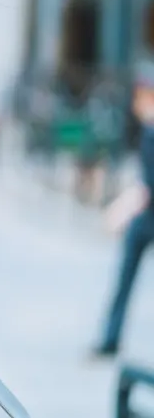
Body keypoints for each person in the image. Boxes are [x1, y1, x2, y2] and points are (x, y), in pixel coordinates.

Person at [94, 63, 154, 357]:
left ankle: (109, 340)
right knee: (124, 280)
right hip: (144, 218)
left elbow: (148, 185)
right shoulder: (147, 129)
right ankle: (109, 339)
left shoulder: (151, 131)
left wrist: (122, 209)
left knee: (125, 280)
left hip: (145, 218)